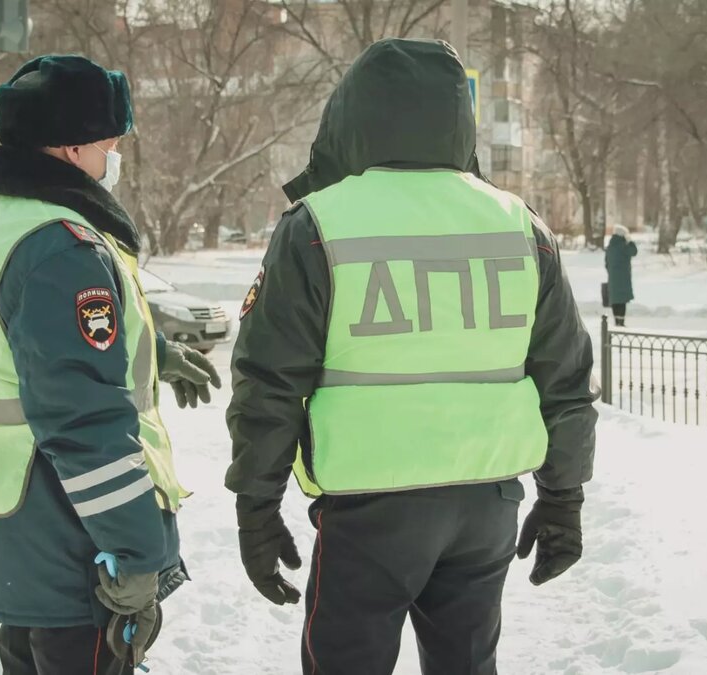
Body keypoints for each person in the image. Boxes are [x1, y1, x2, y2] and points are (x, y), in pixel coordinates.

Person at [225, 39, 599, 675]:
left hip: (368, 509)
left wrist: (255, 509)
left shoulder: (318, 223)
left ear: (352, 118)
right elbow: (564, 379)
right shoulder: (519, 225)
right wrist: (563, 498)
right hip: (486, 504)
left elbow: (269, 383)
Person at [0, 55, 221, 675]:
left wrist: (153, 356)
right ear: (69, 149)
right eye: (107, 144)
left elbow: (23, 349)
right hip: (75, 538)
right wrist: (138, 550)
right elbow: (83, 420)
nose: (111, 159)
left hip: (15, 520)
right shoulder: (59, 246)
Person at [605, 225, 637, 327]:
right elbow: (634, 251)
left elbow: (606, 263)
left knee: (615, 299)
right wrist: (630, 241)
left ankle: (616, 321)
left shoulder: (610, 246)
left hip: (613, 278)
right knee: (622, 300)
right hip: (623, 278)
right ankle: (621, 322)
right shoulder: (623, 246)